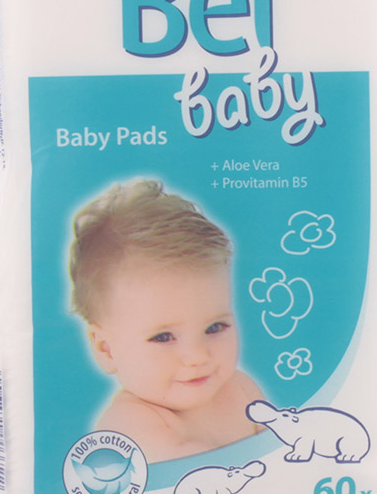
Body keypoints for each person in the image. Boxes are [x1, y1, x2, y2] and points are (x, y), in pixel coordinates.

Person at [69, 180, 264, 462]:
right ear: (106, 350)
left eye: (214, 328)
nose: (198, 356)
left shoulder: (240, 388)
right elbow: (197, 473)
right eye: (163, 337)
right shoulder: (129, 425)